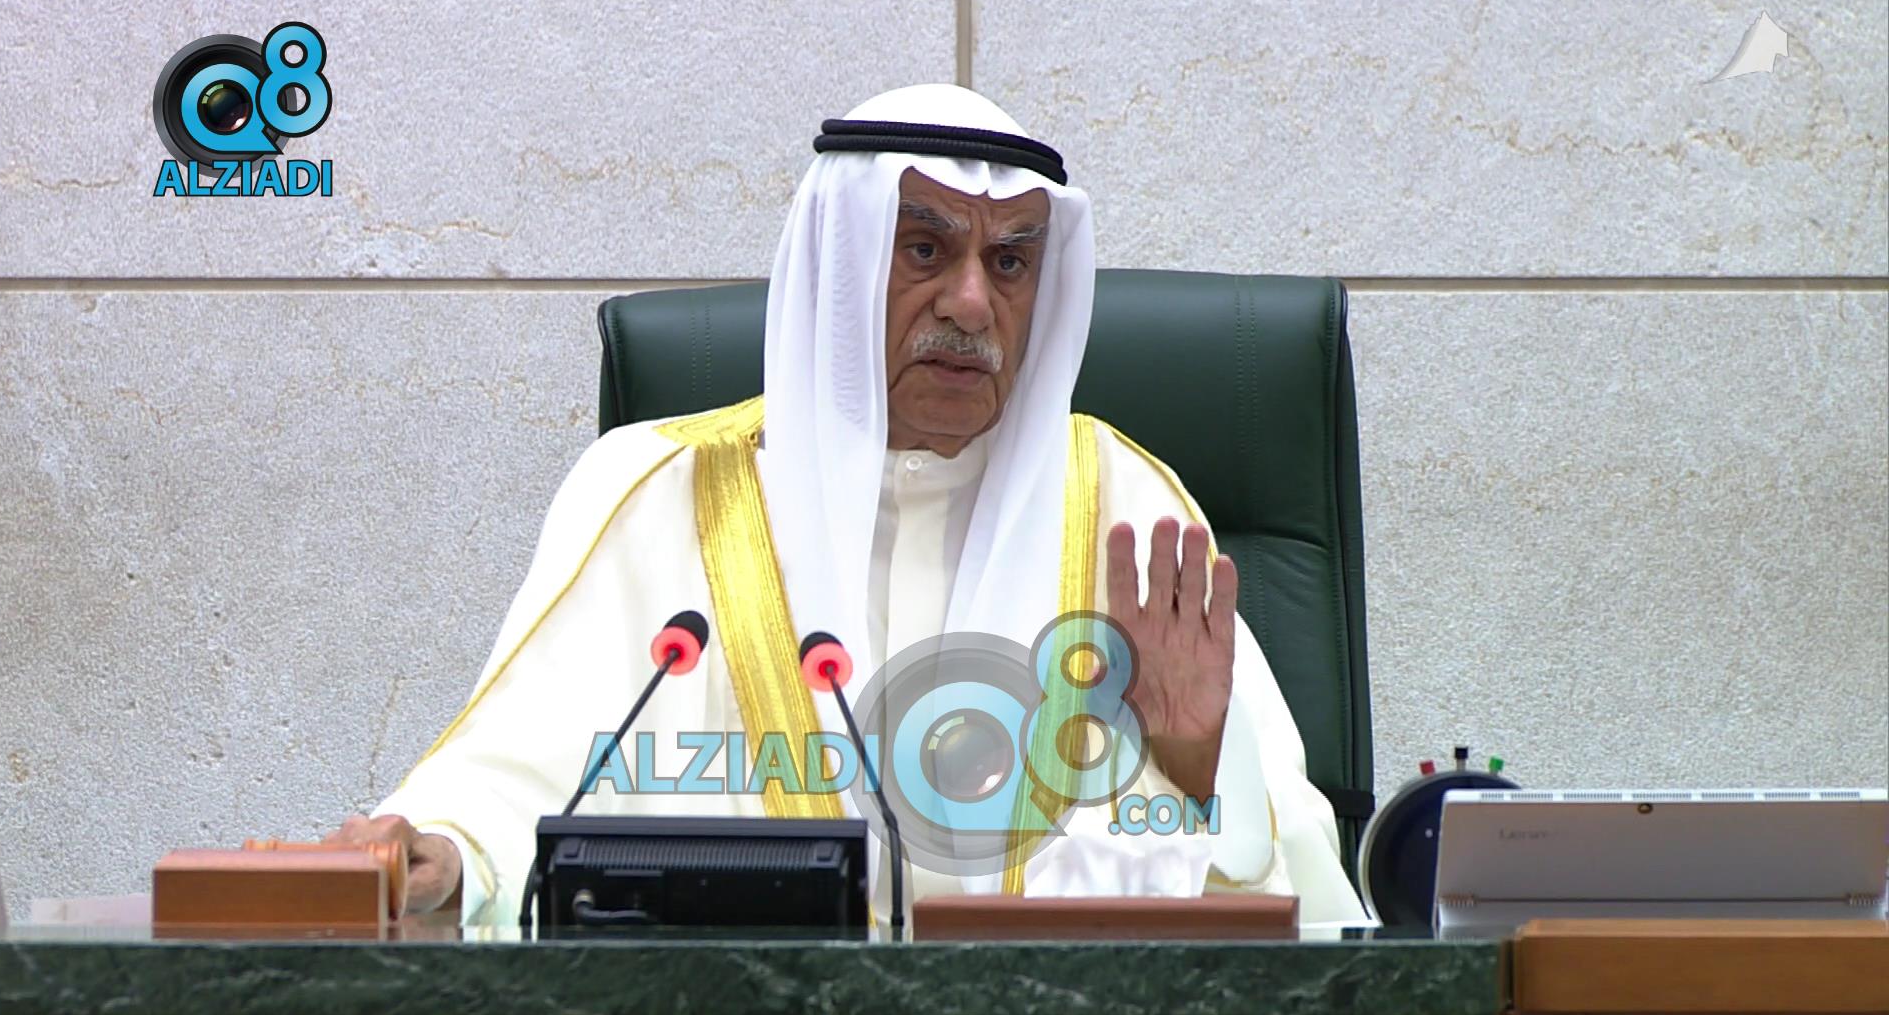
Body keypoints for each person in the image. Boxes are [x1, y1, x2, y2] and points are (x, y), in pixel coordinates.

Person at [329, 84, 1366, 928]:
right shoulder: (659, 489)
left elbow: (1288, 882)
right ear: (840, 263)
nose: (972, 303)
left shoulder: (1128, 513)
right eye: (926, 251)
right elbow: (515, 777)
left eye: (1010, 261)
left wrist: (1189, 778)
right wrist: (448, 858)